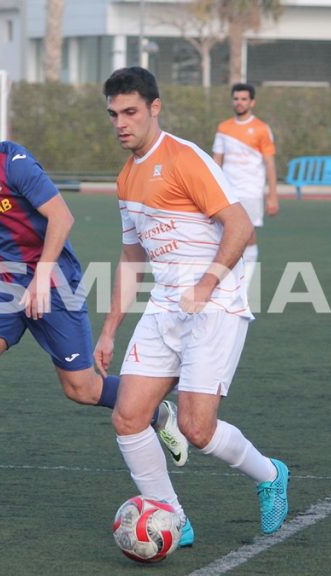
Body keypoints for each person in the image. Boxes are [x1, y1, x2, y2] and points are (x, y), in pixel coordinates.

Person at [0, 92, 187, 482]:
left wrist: (42, 278)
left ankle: (159, 412)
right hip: (8, 281)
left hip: (56, 279)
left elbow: (62, 218)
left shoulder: (15, 163)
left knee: (81, 389)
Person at [94, 67, 289, 546]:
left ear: (154, 108)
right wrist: (110, 329)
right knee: (128, 417)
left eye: (131, 112)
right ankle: (174, 518)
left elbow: (241, 227)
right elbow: (132, 257)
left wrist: (205, 285)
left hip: (215, 305)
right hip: (165, 307)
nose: (121, 123)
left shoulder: (184, 158)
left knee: (196, 429)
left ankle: (270, 475)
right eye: (114, 114)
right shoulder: (126, 178)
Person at [212, 83, 278, 293]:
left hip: (251, 192)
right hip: (227, 192)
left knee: (248, 235)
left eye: (243, 99)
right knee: (224, 236)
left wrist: (272, 196)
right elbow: (216, 162)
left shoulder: (261, 129)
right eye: (236, 99)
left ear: (252, 102)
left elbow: (269, 164)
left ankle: (244, 287)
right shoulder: (224, 128)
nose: (239, 103)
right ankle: (226, 283)